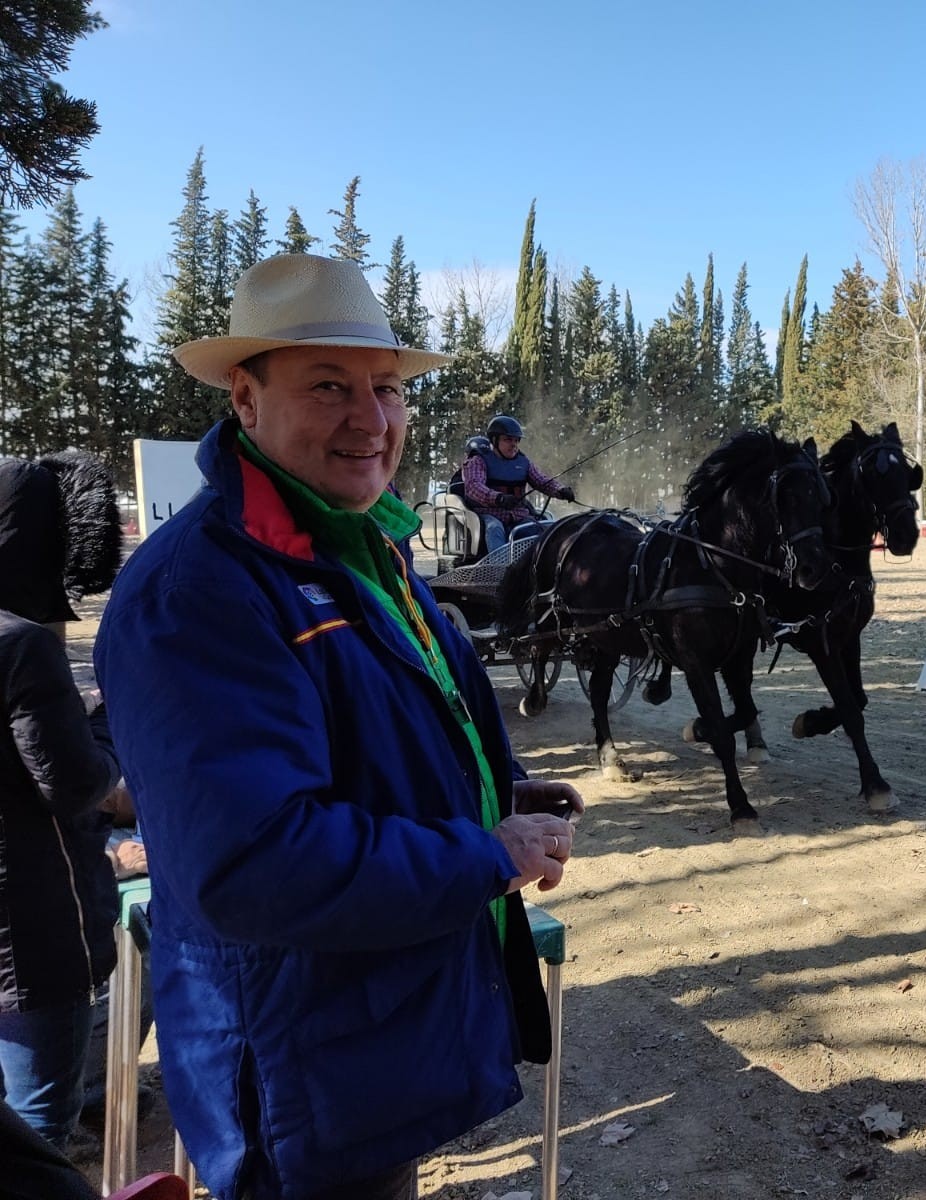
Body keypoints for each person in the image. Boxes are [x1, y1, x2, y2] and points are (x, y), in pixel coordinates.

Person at [94, 254, 582, 1200]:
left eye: (386, 388)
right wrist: (486, 852)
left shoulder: (358, 544)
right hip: (297, 1070)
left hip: (364, 1039)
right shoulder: (199, 590)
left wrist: (493, 791)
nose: (372, 420)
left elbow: (367, 737)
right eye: (328, 387)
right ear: (245, 398)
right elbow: (254, 859)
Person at [0, 451, 123, 1153]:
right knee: (39, 1126)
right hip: (30, 936)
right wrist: (106, 723)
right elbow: (75, 785)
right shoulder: (22, 647)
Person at [460, 414, 575, 554]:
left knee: (542, 528)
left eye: (516, 440)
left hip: (519, 515)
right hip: (490, 515)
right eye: (508, 440)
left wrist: (560, 490)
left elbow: (542, 481)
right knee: (494, 529)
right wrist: (499, 498)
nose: (513, 444)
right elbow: (474, 487)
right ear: (494, 440)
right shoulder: (478, 460)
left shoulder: (524, 463)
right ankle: (500, 566)